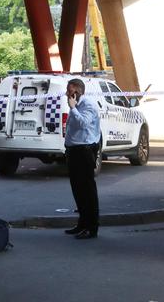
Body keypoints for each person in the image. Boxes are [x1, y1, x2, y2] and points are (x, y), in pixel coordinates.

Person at [63, 78, 101, 239]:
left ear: (78, 92)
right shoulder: (77, 106)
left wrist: (73, 108)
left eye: (70, 91)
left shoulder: (88, 105)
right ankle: (82, 223)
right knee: (77, 190)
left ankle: (91, 227)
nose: (67, 94)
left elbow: (83, 124)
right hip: (74, 151)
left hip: (84, 152)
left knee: (87, 191)